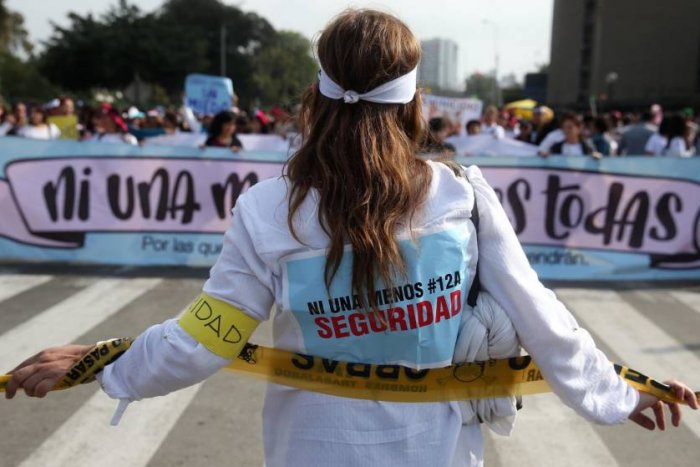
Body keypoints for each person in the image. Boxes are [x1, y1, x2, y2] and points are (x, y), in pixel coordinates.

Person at [4, 9, 697, 467]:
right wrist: (617, 393)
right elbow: (540, 315)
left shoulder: (268, 209)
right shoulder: (462, 195)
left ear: (316, 92)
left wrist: (100, 362)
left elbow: (203, 338)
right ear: (415, 102)